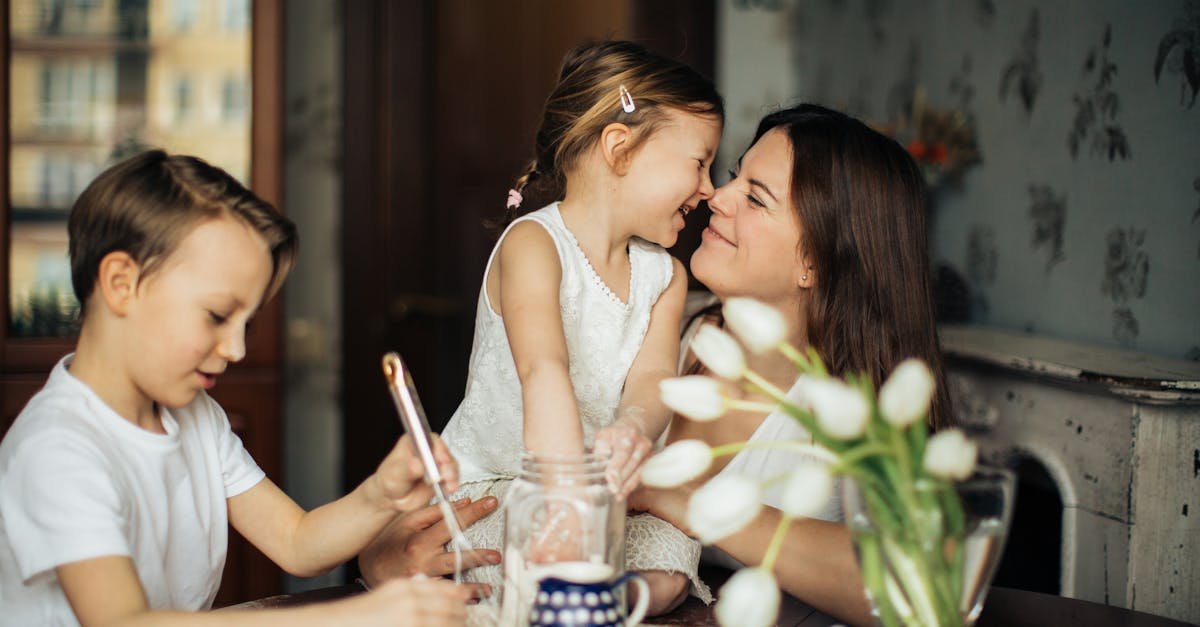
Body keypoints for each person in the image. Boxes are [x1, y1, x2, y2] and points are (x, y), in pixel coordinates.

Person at [0, 150, 471, 626]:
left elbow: (296, 541)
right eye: (218, 316)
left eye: (248, 322)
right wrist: (354, 616)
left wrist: (381, 494)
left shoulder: (194, 415)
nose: (237, 348)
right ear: (123, 284)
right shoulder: (57, 448)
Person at [365, 39, 724, 615]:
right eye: (700, 162)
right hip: (511, 484)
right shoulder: (534, 244)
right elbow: (543, 370)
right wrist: (564, 502)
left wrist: (634, 427)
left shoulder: (665, 276)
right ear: (620, 148)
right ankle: (567, 588)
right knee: (512, 549)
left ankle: (600, 597)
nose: (709, 188)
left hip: (607, 497)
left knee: (671, 557)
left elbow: (655, 379)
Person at [631, 103, 954, 626]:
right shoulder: (662, 324)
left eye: (756, 197)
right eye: (736, 175)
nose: (717, 194)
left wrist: (697, 504)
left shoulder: (857, 410)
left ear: (815, 262)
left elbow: (922, 589)